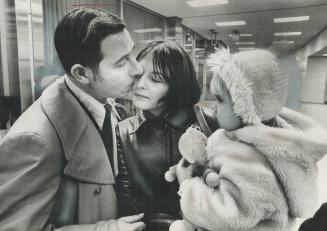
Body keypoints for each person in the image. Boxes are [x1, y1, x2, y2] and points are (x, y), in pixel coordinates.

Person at [0, 8, 146, 231]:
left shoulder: (103, 101)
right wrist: (106, 229)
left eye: (132, 54)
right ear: (81, 74)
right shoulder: (35, 139)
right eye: (121, 62)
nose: (138, 68)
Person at [175, 48, 327, 231]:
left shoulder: (253, 160)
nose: (214, 106)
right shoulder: (234, 137)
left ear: (245, 106)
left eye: (220, 99)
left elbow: (228, 216)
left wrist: (187, 186)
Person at [116, 41, 219, 231]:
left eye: (155, 79)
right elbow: (127, 203)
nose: (140, 85)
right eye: (138, 75)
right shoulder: (123, 132)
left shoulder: (208, 122)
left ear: (177, 85)